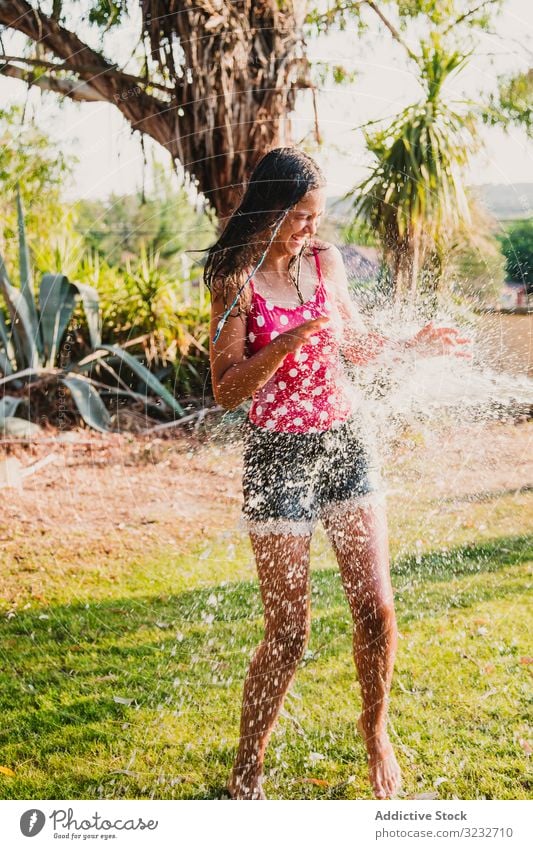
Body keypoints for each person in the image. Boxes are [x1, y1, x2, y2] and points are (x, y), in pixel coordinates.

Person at [204, 147, 469, 800]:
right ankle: (247, 767)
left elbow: (353, 345)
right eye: (298, 217)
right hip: (277, 458)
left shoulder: (321, 263)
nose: (308, 231)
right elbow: (225, 390)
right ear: (268, 210)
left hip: (344, 441)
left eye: (316, 217)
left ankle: (375, 730)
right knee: (289, 633)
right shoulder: (234, 276)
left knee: (375, 610)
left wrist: (412, 343)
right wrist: (288, 342)